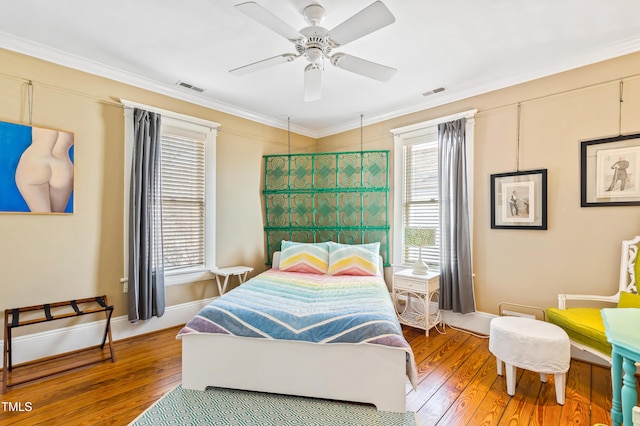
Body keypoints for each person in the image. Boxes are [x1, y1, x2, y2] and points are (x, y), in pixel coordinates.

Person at [15, 126, 74, 213]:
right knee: (56, 221)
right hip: (63, 167)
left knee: (42, 221)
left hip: (35, 161)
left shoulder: (42, 114)